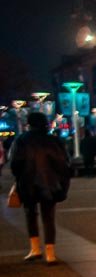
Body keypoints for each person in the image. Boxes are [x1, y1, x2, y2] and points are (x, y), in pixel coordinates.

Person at [8, 111, 71, 264]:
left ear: (29, 124)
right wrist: (61, 181)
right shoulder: (55, 141)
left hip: (27, 183)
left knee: (30, 214)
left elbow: (15, 163)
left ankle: (35, 249)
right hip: (50, 183)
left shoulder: (21, 140)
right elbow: (64, 163)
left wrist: (19, 177)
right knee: (48, 217)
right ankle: (50, 253)